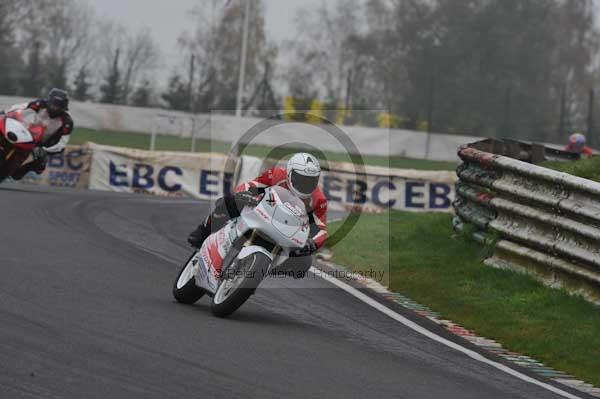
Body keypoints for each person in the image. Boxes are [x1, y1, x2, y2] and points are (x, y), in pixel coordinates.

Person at [188, 152, 328, 278]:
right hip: (260, 212)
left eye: (311, 181)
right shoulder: (277, 175)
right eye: (301, 179)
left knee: (305, 262)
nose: (305, 184)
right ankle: (204, 229)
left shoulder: (319, 200)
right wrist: (244, 194)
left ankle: (263, 271)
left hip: (286, 232)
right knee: (230, 201)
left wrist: (312, 243)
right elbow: (251, 185)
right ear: (289, 173)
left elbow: (321, 229)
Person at [7, 88, 74, 180]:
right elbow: (21, 107)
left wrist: (45, 150)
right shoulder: (40, 104)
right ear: (49, 101)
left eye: (58, 106)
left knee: (39, 164)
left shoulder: (67, 122)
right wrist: (7, 112)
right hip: (25, 133)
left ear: (64, 107)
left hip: (41, 145)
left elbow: (62, 144)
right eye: (53, 104)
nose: (55, 108)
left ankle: (20, 170)